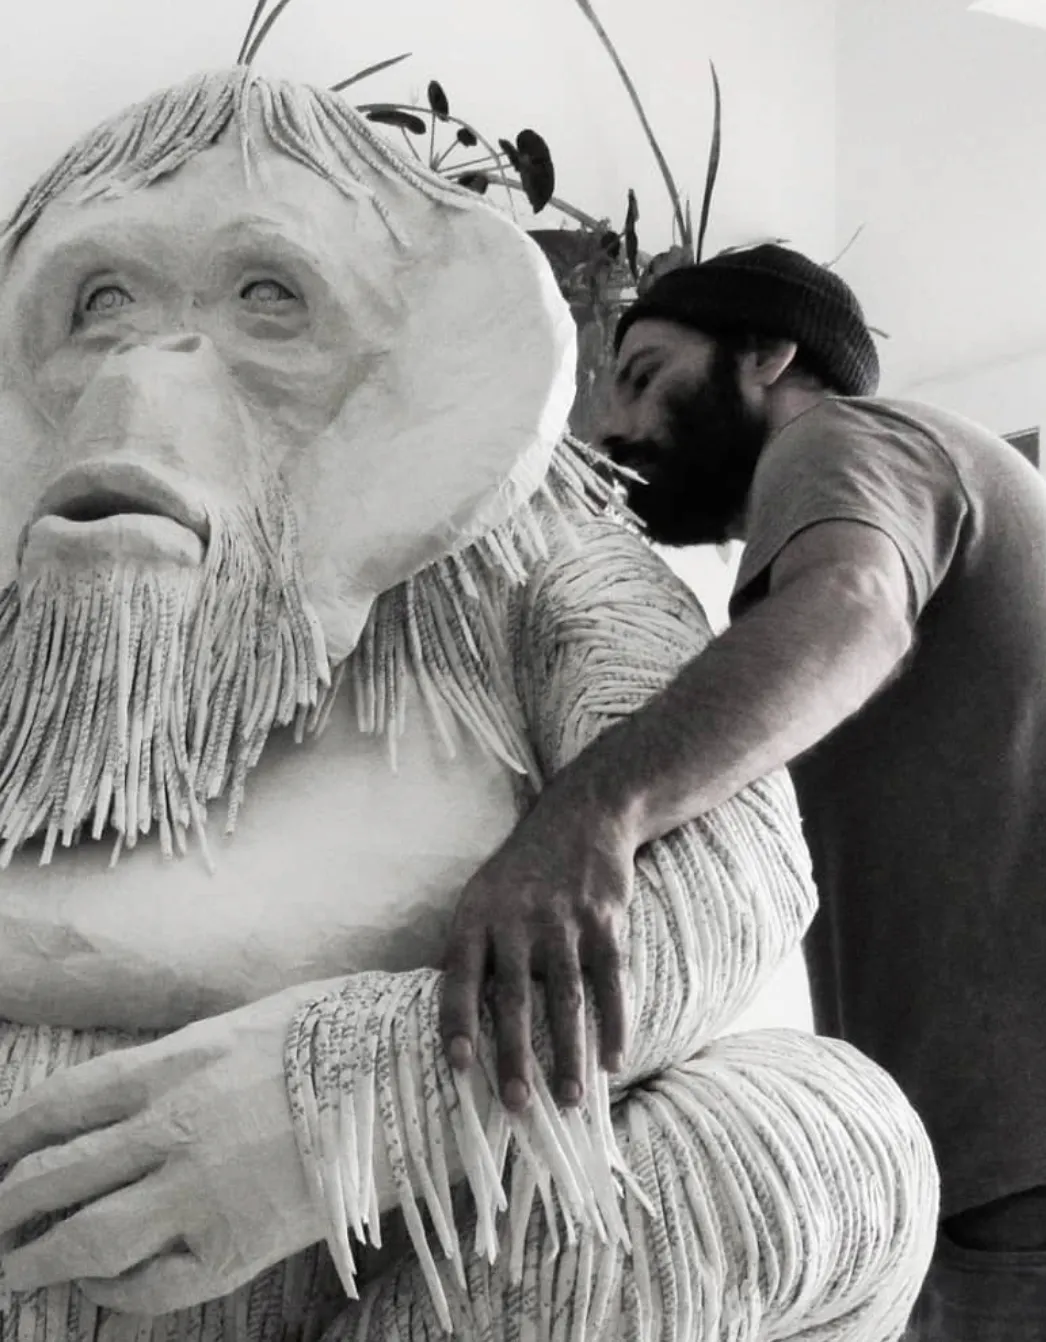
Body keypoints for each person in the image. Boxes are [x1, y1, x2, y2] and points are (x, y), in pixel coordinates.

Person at [441, 243, 1046, 1340]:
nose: (608, 431)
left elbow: (852, 607)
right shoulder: (928, 480)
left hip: (1014, 1174)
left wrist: (584, 817)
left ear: (768, 355)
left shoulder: (845, 437)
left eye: (644, 374)